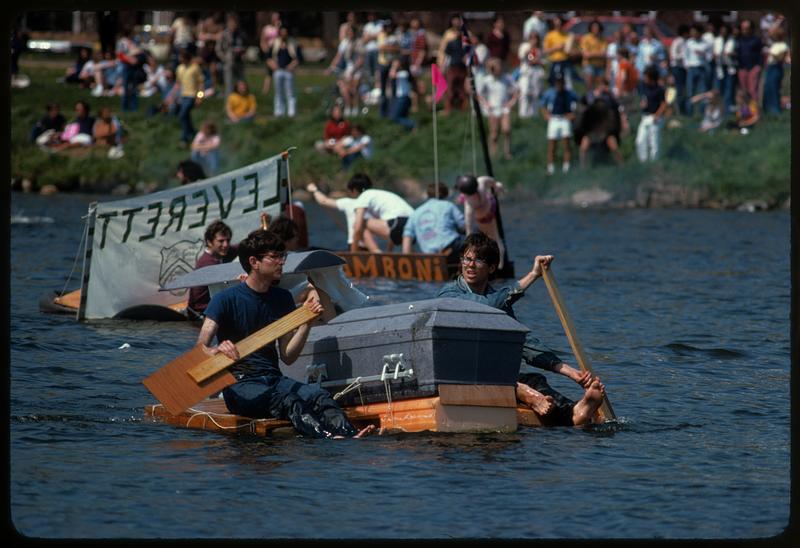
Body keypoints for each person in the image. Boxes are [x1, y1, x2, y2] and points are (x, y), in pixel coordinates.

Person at [198, 228, 373, 439]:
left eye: (283, 256)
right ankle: (329, 436)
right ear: (254, 262)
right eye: (275, 257)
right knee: (288, 401)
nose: (282, 262)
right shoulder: (224, 299)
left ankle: (351, 434)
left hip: (274, 379)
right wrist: (217, 349)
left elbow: (288, 356)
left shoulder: (282, 299)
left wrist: (305, 324)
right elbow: (200, 349)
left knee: (319, 396)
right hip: (240, 386)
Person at [437, 232, 606, 426]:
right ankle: (525, 393)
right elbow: (486, 304)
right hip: (458, 373)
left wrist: (571, 372)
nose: (470, 265)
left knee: (536, 381)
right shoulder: (450, 294)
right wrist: (534, 275)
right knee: (508, 381)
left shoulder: (499, 301)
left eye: (478, 260)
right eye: (467, 259)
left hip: (493, 373)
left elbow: (523, 343)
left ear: (492, 267)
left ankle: (577, 411)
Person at [347, 173, 414, 253]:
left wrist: (353, 253)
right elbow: (394, 223)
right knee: (400, 235)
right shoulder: (382, 194)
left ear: (354, 190)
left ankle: (376, 253)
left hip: (397, 225)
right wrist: (389, 252)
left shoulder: (363, 196)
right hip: (414, 227)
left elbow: (358, 228)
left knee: (361, 223)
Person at [187, 219, 240, 318]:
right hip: (201, 314)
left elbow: (245, 246)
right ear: (209, 242)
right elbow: (198, 303)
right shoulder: (207, 264)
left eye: (228, 240)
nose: (226, 245)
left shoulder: (222, 253)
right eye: (221, 241)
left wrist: (264, 226)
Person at [402, 182, 465, 262]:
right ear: (446, 194)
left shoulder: (416, 213)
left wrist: (407, 259)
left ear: (428, 194)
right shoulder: (448, 205)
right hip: (451, 249)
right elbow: (464, 225)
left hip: (430, 258)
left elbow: (407, 237)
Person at [305, 181, 378, 251]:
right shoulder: (375, 204)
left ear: (354, 190)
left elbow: (323, 201)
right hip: (372, 247)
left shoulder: (349, 202)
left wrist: (314, 190)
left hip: (355, 246)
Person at [454, 174, 506, 270]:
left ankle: (499, 266)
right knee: (496, 237)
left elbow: (469, 230)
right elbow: (494, 183)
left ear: (464, 193)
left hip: (484, 217)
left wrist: (467, 251)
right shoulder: (481, 181)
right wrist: (498, 187)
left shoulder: (469, 205)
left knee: (490, 239)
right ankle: (500, 264)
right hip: (491, 204)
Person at [576, 76, 627, 167]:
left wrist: (624, 123)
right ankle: (582, 169)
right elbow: (581, 111)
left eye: (606, 85)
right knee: (584, 147)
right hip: (591, 129)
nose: (605, 87)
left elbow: (618, 110)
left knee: (613, 145)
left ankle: (622, 166)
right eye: (604, 85)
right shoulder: (589, 96)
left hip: (606, 128)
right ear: (598, 85)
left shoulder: (609, 97)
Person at [476, 57, 517, 161]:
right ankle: (492, 154)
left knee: (506, 129)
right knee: (494, 133)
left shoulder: (506, 78)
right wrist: (486, 104)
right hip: (493, 109)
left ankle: (507, 152)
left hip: (504, 108)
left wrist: (511, 102)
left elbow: (517, 90)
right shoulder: (487, 80)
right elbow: (479, 94)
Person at [540, 74, 578, 175]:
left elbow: (578, 103)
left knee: (566, 145)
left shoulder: (569, 93)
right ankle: (550, 168)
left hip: (565, 119)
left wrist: (573, 114)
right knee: (552, 145)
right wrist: (546, 115)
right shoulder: (550, 93)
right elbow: (542, 104)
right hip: (554, 119)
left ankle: (566, 168)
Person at [268, 26, 302, 118]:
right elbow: (269, 58)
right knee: (279, 92)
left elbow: (298, 58)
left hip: (288, 71)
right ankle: (279, 112)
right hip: (278, 70)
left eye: (285, 32)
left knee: (290, 92)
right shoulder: (275, 43)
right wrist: (273, 66)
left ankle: (291, 112)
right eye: (282, 32)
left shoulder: (293, 43)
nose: (284, 34)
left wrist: (292, 65)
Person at [437, 14, 468, 115]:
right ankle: (448, 109)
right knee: (450, 89)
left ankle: (463, 109)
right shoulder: (450, 41)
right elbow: (446, 55)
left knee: (462, 89)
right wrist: (443, 66)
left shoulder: (466, 42)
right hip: (452, 68)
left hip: (462, 68)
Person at [635, 66, 666, 162]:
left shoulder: (659, 89)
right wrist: (641, 104)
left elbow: (664, 104)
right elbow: (643, 99)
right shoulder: (644, 87)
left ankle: (654, 163)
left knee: (654, 143)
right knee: (640, 141)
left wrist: (657, 115)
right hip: (645, 117)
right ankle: (643, 161)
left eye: (646, 76)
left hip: (654, 117)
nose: (644, 78)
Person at [175, 51, 204, 146]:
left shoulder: (195, 68)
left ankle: (184, 138)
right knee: (186, 116)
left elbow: (200, 84)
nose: (180, 59)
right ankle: (193, 133)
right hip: (183, 95)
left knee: (182, 115)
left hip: (192, 95)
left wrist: (199, 97)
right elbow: (178, 84)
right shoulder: (179, 68)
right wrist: (174, 96)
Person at [516, 31, 545, 118]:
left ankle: (534, 114)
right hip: (526, 73)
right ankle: (523, 114)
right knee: (524, 93)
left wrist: (537, 61)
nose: (534, 40)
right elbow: (522, 56)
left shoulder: (539, 49)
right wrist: (530, 48)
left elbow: (541, 61)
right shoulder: (524, 46)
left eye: (535, 38)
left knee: (535, 93)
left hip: (536, 73)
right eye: (532, 38)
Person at [685, 24, 710, 116]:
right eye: (692, 32)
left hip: (702, 68)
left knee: (703, 92)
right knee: (690, 91)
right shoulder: (689, 43)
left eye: (695, 32)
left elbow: (710, 56)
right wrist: (687, 66)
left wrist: (703, 54)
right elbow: (686, 56)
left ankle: (702, 113)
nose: (693, 34)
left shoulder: (705, 43)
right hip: (691, 68)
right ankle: (689, 113)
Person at [762, 27, 788, 115]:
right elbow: (768, 34)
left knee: (774, 88)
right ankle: (767, 108)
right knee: (767, 88)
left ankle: (775, 110)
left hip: (776, 68)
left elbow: (781, 59)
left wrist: (771, 53)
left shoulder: (783, 46)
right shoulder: (774, 44)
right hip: (770, 68)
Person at [388, 57, 416, 131]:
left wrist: (394, 66)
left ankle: (414, 124)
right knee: (403, 115)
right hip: (402, 98)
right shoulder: (402, 73)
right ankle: (410, 129)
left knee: (395, 117)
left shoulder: (404, 73)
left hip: (403, 98)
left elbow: (392, 75)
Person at [579, 20, 607, 91]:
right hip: (589, 65)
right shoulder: (586, 38)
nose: (596, 29)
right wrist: (598, 53)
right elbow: (585, 55)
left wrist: (592, 54)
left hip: (600, 66)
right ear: (590, 28)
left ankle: (598, 99)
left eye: (597, 28)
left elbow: (604, 54)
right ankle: (590, 98)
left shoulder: (603, 39)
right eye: (594, 27)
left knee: (600, 86)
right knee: (589, 82)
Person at [259, 12, 282, 95]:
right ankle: (266, 90)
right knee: (270, 71)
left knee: (275, 71)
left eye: (277, 17)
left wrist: (278, 27)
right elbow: (262, 40)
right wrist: (264, 49)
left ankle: (276, 90)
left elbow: (281, 37)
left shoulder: (279, 27)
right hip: (269, 51)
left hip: (278, 51)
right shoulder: (266, 28)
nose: (276, 19)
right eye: (274, 17)